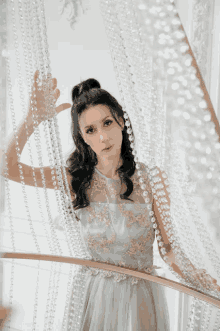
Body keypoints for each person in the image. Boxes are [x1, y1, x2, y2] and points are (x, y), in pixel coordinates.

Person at [2, 70, 220, 330]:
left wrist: (197, 277)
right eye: (90, 130)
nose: (102, 137)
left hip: (140, 301)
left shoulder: (152, 179)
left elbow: (168, 249)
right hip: (94, 297)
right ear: (82, 137)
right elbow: (7, 167)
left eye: (107, 123)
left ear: (121, 121)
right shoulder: (75, 179)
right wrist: (32, 119)